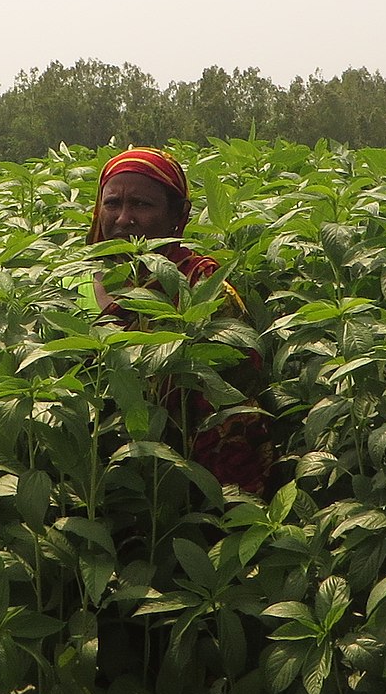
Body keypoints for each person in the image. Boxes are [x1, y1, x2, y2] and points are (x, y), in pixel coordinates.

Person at [88, 147, 271, 496]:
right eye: (112, 203)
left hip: (200, 476)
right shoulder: (73, 282)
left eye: (142, 204)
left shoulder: (202, 284)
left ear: (178, 214)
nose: (124, 217)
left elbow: (237, 388)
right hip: (108, 479)